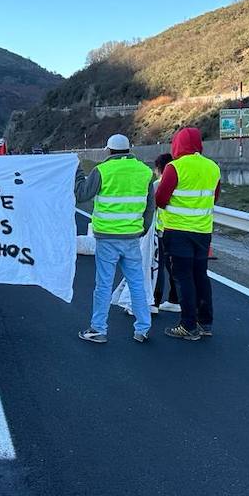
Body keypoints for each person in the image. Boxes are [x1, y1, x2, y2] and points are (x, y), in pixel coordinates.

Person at [76, 133, 155, 344]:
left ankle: (98, 329)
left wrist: (76, 172)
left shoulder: (102, 170)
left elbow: (81, 194)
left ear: (108, 151)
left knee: (103, 285)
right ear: (129, 150)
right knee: (137, 284)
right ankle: (142, 328)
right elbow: (150, 207)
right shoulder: (144, 172)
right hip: (132, 237)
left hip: (107, 237)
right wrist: (142, 230)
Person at [156, 126, 222, 340]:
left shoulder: (174, 167)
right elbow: (215, 197)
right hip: (203, 231)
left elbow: (161, 199)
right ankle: (205, 323)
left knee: (183, 278)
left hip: (178, 231)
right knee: (200, 276)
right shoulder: (213, 167)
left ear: (177, 144)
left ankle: (187, 325)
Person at [151, 152, 180, 314]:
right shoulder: (180, 182)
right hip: (179, 230)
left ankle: (154, 302)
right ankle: (175, 299)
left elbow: (154, 205)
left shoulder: (158, 184)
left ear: (159, 168)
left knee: (158, 267)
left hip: (161, 231)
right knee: (174, 268)